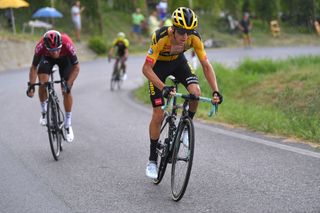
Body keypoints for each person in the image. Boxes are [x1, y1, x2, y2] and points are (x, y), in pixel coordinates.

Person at [142, 7, 223, 178]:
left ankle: (186, 128)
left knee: (196, 92)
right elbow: (146, 68)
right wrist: (162, 86)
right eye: (181, 32)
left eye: (189, 32)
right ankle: (152, 160)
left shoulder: (194, 38)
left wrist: (216, 91)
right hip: (158, 69)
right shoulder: (160, 37)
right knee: (158, 114)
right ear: (173, 29)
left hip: (179, 63)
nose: (185, 37)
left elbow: (206, 66)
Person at [26, 30, 80, 143]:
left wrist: (68, 84)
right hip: (47, 59)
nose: (55, 53)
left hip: (65, 60)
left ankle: (67, 124)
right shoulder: (40, 46)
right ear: (46, 46)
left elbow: (76, 67)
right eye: (52, 50)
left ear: (61, 44)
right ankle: (44, 111)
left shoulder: (67, 43)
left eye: (57, 49)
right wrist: (31, 85)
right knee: (42, 83)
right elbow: (34, 67)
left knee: (66, 91)